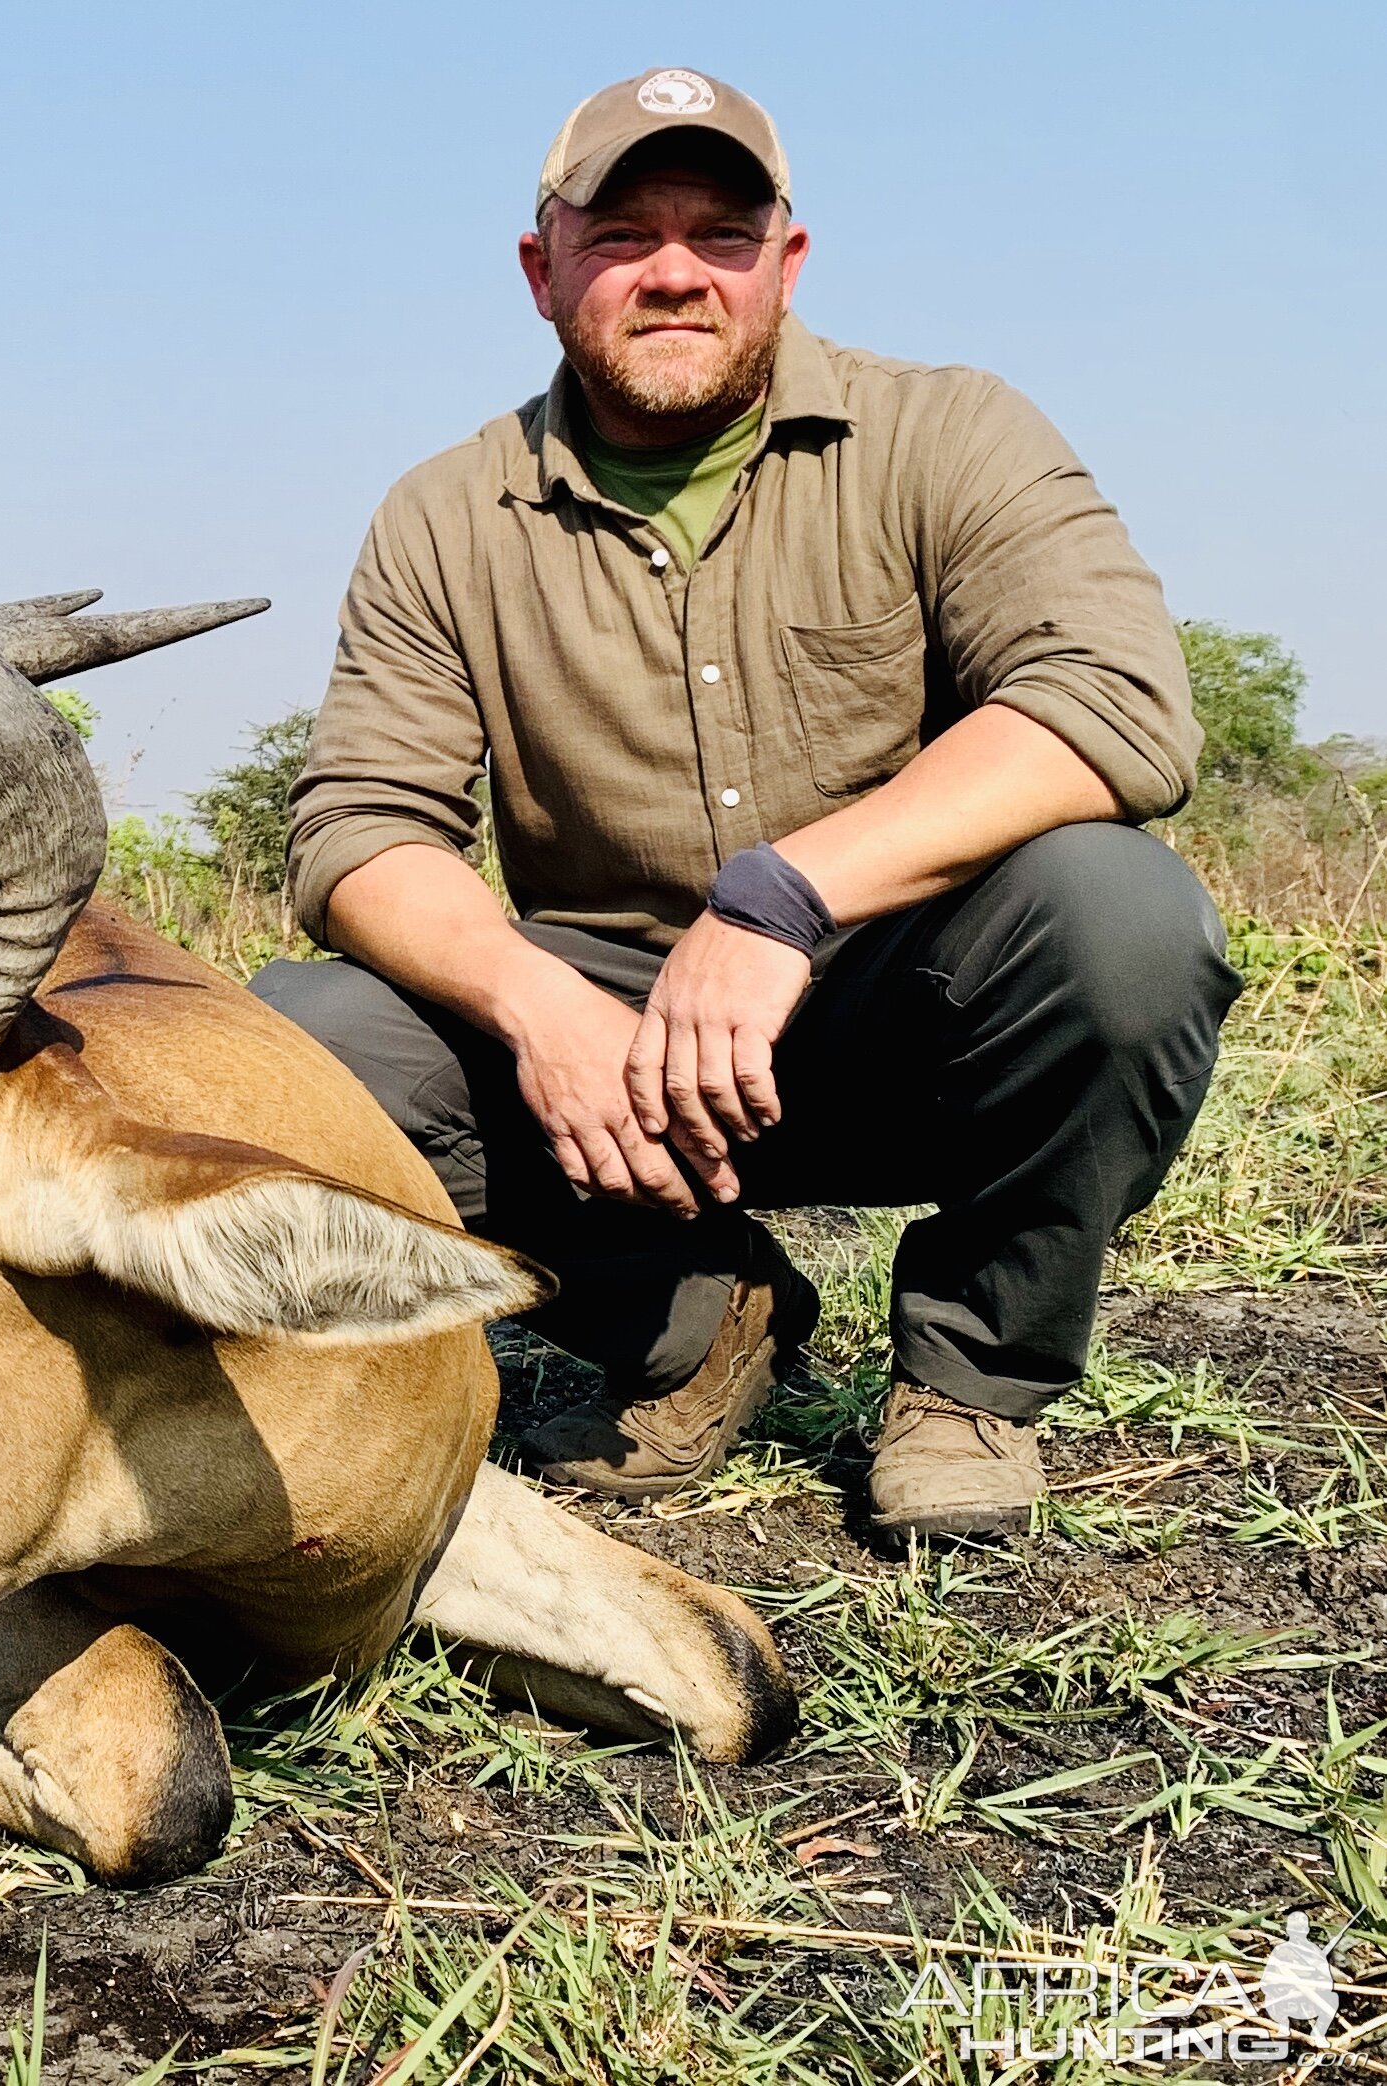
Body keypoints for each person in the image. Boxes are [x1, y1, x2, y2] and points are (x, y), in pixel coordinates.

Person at [250, 67, 1239, 1542]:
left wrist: (782, 897)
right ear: (541, 271)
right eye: (620, 235)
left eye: (718, 233)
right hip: (613, 1072)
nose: (671, 273)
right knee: (306, 1038)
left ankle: (970, 1376)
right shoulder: (442, 513)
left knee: (1121, 916)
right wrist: (536, 1005)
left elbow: (1112, 702)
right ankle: (695, 1322)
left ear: (785, 260)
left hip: (902, 1007)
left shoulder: (950, 430)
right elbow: (354, 830)